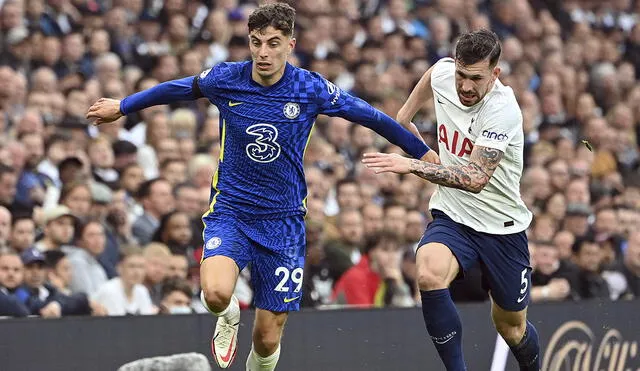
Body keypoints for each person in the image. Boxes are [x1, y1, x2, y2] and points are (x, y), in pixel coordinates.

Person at [85, 3, 438, 370]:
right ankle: (228, 317)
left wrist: (422, 153)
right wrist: (123, 106)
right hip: (231, 210)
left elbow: (373, 117)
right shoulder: (227, 79)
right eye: (256, 42)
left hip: (283, 221)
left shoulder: (309, 88)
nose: (263, 52)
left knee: (268, 338)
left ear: (290, 44)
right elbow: (178, 88)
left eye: (273, 43)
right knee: (217, 294)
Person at [363, 30, 539, 370]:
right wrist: (409, 126)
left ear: (495, 74)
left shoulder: (503, 109)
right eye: (462, 75)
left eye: (476, 78)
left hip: (502, 229)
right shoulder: (444, 72)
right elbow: (424, 89)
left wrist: (413, 163)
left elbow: (475, 179)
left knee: (511, 327)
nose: (466, 86)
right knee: (428, 273)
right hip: (453, 216)